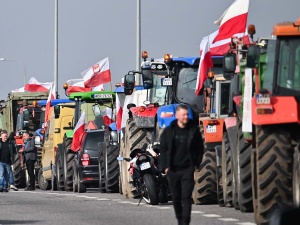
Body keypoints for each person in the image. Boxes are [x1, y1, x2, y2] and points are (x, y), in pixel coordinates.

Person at [160, 104, 204, 225]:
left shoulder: (193, 130)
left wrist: (196, 164)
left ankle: (185, 222)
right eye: (183, 115)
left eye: (187, 115)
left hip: (187, 169)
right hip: (173, 169)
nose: (186, 117)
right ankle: (180, 219)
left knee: (186, 197)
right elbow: (163, 149)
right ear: (177, 116)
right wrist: (165, 166)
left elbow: (200, 148)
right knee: (176, 198)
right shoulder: (169, 131)